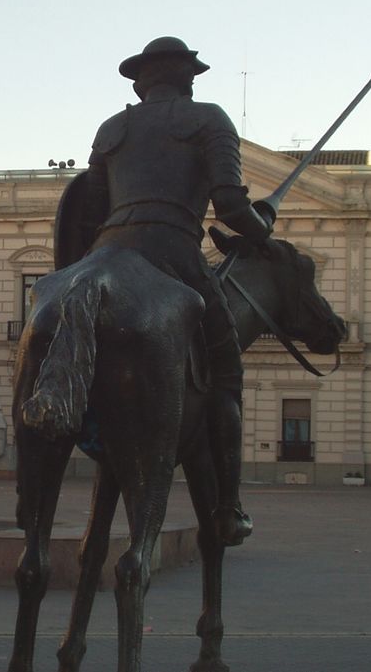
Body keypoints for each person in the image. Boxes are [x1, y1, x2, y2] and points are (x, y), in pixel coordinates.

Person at [78, 36, 275, 546]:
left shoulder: (110, 128)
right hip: (174, 254)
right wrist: (261, 230)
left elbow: (89, 209)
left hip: (105, 251)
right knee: (227, 371)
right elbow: (230, 205)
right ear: (187, 78)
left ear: (140, 82)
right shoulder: (209, 119)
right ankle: (228, 508)